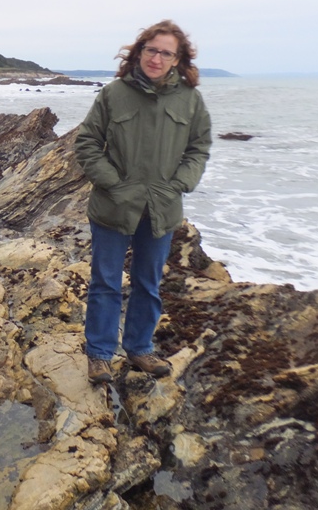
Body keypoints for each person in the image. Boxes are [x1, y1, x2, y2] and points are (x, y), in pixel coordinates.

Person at [74, 20, 212, 384]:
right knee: (105, 282)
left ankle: (139, 348)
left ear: (177, 59)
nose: (157, 57)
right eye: (152, 49)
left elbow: (199, 148)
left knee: (148, 284)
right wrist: (113, 185)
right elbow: (87, 143)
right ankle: (100, 354)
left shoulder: (190, 99)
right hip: (113, 206)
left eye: (167, 52)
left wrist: (179, 184)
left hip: (161, 208)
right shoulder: (114, 93)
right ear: (140, 52)